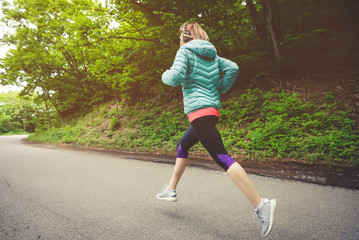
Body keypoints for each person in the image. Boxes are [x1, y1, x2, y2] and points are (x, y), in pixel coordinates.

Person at [156, 22, 277, 237]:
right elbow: (233, 67)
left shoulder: (184, 51)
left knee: (223, 157)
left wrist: (165, 73)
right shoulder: (211, 55)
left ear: (185, 36)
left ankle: (260, 204)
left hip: (198, 113)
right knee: (182, 146)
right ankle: (171, 189)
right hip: (210, 112)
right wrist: (220, 88)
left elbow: (174, 78)